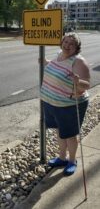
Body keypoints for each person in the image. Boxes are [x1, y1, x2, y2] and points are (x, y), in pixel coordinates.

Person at [40, 32, 90, 176]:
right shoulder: (59, 54)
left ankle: (72, 161)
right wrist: (45, 62)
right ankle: (62, 158)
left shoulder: (78, 62)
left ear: (77, 47)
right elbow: (56, 66)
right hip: (52, 102)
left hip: (69, 104)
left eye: (71, 44)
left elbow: (86, 85)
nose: (67, 45)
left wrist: (78, 81)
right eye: (65, 42)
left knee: (70, 134)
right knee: (60, 131)